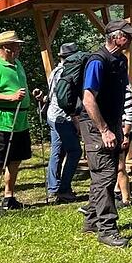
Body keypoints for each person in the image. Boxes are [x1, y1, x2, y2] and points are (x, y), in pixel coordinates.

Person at [79, 20, 132, 248]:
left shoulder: (119, 60)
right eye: (127, 36)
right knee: (105, 176)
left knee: (105, 175)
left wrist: (119, 124)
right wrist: (104, 130)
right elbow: (88, 98)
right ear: (114, 37)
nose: (130, 40)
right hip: (96, 127)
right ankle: (107, 230)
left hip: (112, 123)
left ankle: (92, 221)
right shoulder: (97, 61)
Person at [0, 31, 32, 210]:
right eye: (16, 45)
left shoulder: (17, 63)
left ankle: (9, 197)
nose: (19, 48)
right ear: (6, 47)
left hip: (21, 121)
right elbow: (10, 94)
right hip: (2, 121)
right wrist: (10, 97)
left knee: (15, 160)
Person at [44, 42, 82, 204]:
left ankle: (53, 187)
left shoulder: (55, 71)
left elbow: (52, 95)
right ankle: (64, 189)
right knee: (75, 151)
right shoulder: (68, 72)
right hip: (63, 117)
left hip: (52, 115)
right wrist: (76, 120)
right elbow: (65, 100)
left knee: (57, 151)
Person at [115, 84, 132, 208]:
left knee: (120, 166)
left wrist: (126, 134)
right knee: (116, 166)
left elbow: (131, 112)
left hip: (122, 131)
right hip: (115, 130)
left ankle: (126, 199)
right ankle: (117, 191)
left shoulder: (124, 88)